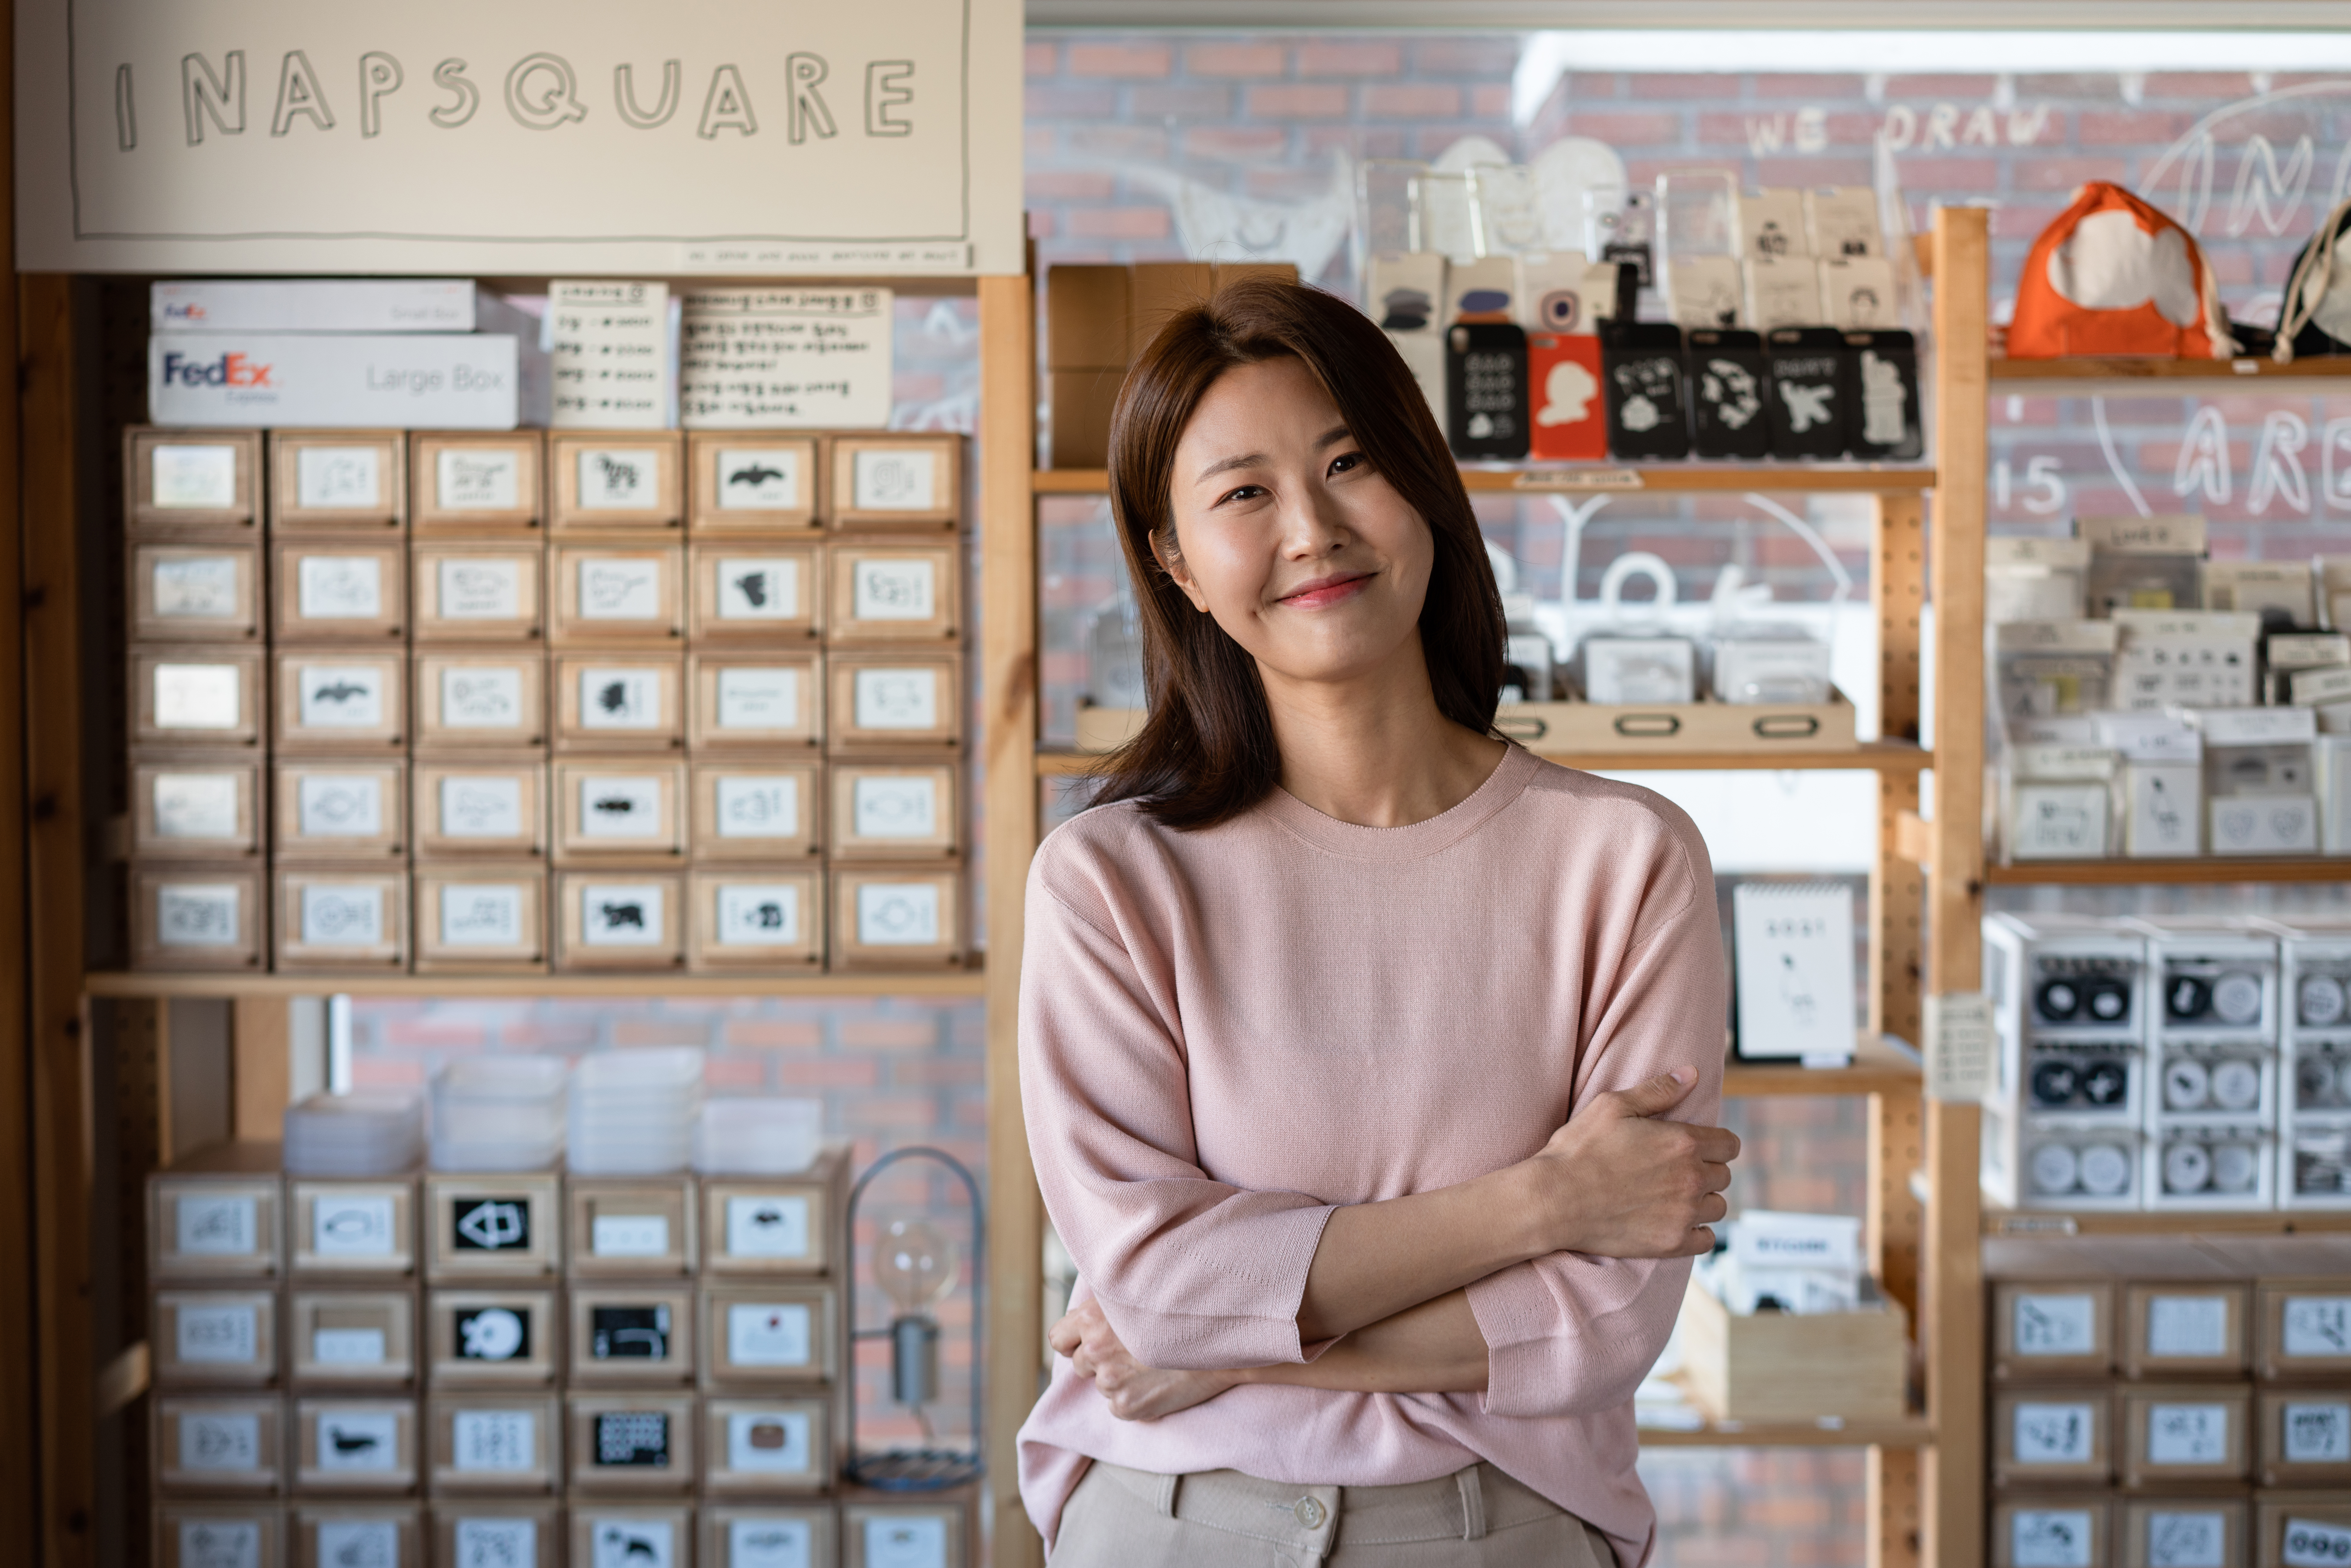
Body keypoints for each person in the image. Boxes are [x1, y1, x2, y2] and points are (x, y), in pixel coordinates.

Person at [1017, 277, 1739, 1567]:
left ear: (1422, 487)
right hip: (1170, 1529)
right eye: (1242, 493)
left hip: (1503, 1525)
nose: (1311, 528)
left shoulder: (1622, 860)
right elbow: (1155, 1291)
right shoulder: (1109, 880)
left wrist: (1239, 1334)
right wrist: (1541, 1202)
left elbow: (1607, 1321)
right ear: (1175, 563)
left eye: (1349, 462)